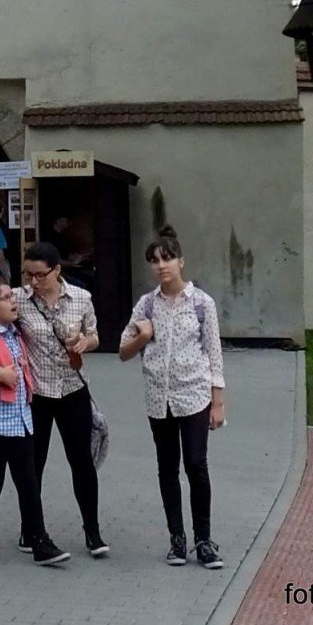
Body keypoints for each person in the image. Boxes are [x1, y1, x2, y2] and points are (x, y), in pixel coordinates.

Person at [119, 228, 226, 570]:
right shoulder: (147, 305)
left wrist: (218, 400)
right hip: (158, 398)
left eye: (167, 258)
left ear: (181, 261)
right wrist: (143, 336)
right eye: (154, 260)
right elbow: (123, 351)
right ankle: (177, 540)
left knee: (195, 464)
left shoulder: (201, 303)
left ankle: (204, 540)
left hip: (193, 394)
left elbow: (214, 352)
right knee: (167, 467)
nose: (161, 266)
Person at [0, 278, 70, 567]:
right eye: (6, 298)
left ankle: (39, 540)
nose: (13, 301)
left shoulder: (13, 334)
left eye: (11, 296)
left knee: (28, 483)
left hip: (19, 422)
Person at [16, 242, 108, 557]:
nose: (34, 281)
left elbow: (95, 335)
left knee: (81, 462)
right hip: (37, 393)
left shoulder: (81, 298)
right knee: (32, 464)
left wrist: (85, 342)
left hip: (72, 390)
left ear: (57, 270)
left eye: (40, 274)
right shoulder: (19, 299)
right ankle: (31, 529)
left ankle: (92, 532)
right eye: (28, 274)